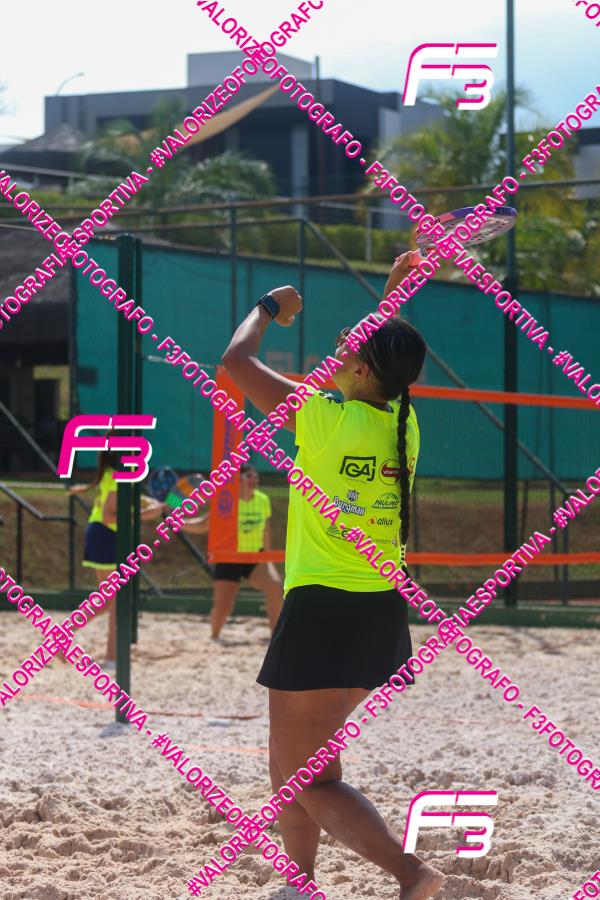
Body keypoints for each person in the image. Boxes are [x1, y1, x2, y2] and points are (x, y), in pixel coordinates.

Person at [219, 251, 445, 900]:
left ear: (362, 368)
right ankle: (300, 881)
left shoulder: (321, 416)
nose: (338, 345)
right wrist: (392, 296)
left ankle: (413, 874)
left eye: (349, 343)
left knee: (307, 778)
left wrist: (268, 307)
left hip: (323, 609)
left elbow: (235, 360)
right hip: (379, 610)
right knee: (298, 759)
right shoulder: (403, 424)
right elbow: (383, 363)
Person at [69, 446, 164, 665]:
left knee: (107, 600)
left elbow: (124, 499)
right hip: (106, 535)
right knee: (118, 600)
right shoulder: (116, 476)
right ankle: (113, 658)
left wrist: (148, 504)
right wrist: (144, 514)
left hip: (102, 535)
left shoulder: (117, 474)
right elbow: (109, 516)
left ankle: (63, 636)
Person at [184, 463, 283, 640]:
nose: (254, 480)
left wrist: (267, 557)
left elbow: (266, 531)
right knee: (223, 607)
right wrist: (179, 522)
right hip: (229, 557)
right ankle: (214, 636)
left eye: (256, 476)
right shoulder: (227, 502)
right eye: (249, 476)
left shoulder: (262, 500)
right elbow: (203, 525)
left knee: (275, 586)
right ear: (238, 480)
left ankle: (276, 637)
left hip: (255, 556)